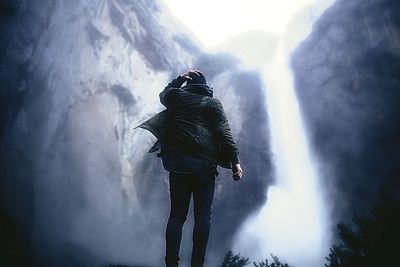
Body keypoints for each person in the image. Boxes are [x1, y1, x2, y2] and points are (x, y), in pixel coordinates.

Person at [137, 70, 243, 267]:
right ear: (205, 88)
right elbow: (224, 132)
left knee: (177, 215)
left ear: (188, 85)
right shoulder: (212, 104)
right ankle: (197, 263)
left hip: (178, 167)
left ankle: (171, 263)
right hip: (204, 167)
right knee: (203, 215)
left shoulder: (176, 98)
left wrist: (179, 79)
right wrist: (235, 161)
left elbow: (164, 94)